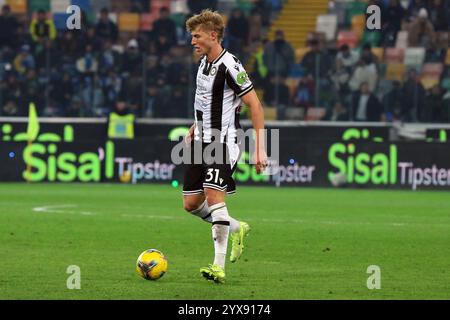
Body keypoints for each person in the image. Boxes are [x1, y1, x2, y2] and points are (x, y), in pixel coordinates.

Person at [183, 9, 267, 284]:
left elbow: (254, 105)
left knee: (213, 195)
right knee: (192, 204)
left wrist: (260, 148)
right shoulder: (203, 63)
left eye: (196, 36)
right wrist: (195, 126)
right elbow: (204, 101)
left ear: (213, 35)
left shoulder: (230, 65)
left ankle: (218, 266)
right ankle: (235, 227)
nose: (192, 41)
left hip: (223, 141)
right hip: (202, 140)